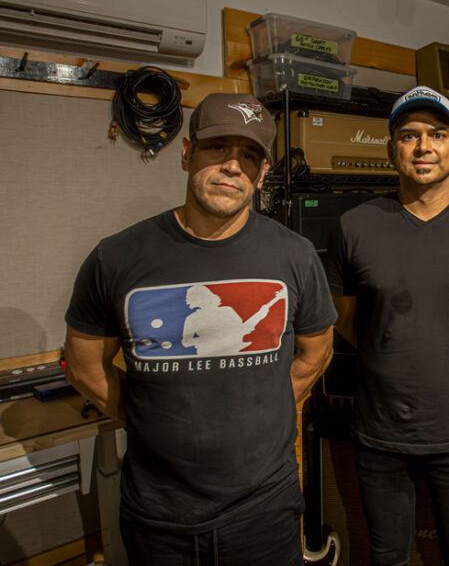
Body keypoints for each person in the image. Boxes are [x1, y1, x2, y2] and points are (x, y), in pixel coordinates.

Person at [64, 92, 337, 565]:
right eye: (217, 147)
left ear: (262, 174)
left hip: (264, 513)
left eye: (249, 156)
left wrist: (264, 411)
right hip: (158, 518)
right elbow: (84, 365)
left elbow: (317, 353)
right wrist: (150, 419)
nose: (233, 165)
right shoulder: (116, 257)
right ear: (187, 152)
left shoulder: (295, 255)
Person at [324, 86, 449, 566]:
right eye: (409, 135)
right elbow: (346, 319)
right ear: (391, 149)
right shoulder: (354, 226)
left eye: (437, 134)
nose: (423, 146)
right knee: (386, 554)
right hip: (380, 432)